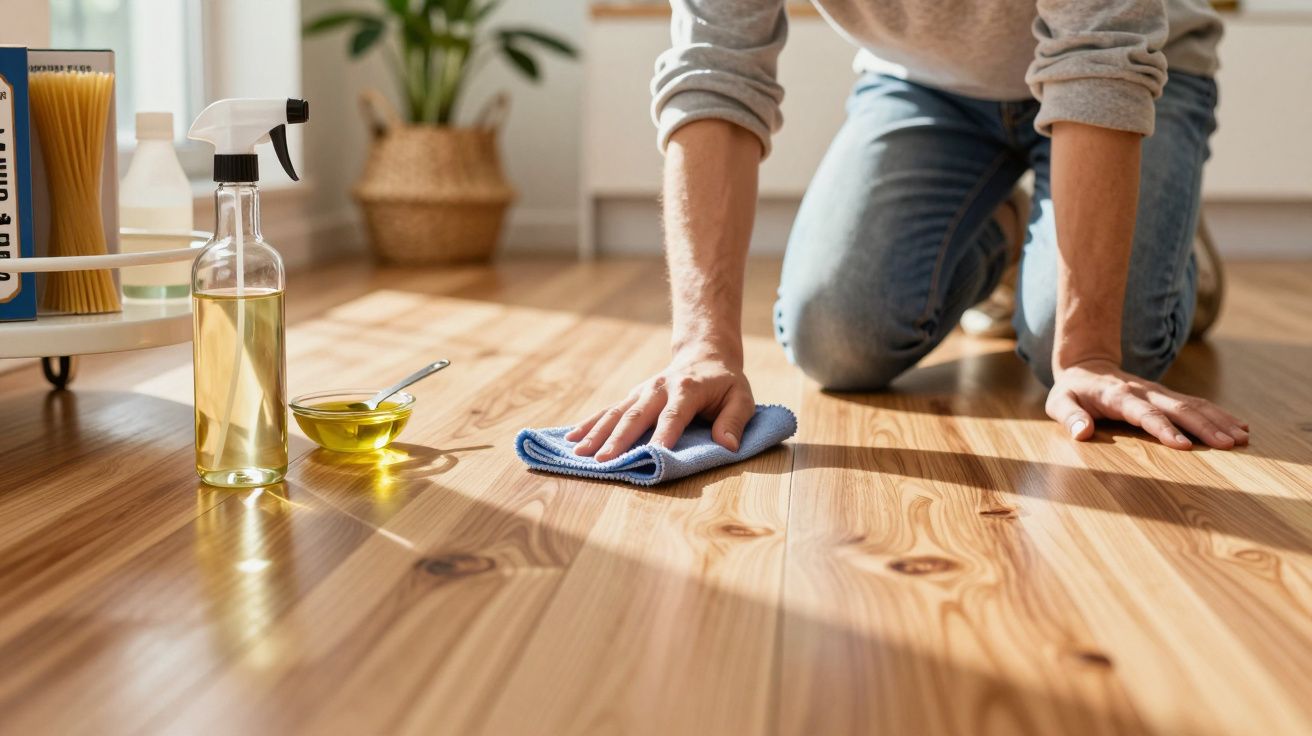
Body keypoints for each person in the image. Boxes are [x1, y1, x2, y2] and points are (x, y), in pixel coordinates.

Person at [567, 0, 1249, 460]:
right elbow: (716, 65)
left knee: (1108, 344)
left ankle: (1168, 242)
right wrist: (701, 345)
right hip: (925, 83)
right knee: (834, 338)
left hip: (1133, 62)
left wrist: (1088, 353)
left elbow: (1101, 56)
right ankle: (1011, 228)